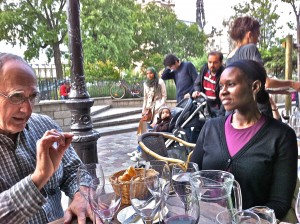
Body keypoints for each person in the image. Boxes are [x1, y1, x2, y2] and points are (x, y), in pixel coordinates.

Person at [190, 60, 298, 222]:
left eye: (231, 84)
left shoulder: (281, 136)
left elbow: (280, 204)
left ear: (255, 87)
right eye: (221, 86)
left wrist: (242, 219)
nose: (223, 92)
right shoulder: (211, 127)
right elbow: (192, 173)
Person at [0, 53, 93, 223]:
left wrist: (82, 193)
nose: (27, 110)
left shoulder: (44, 126)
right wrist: (39, 177)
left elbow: (75, 170)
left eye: (32, 97)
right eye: (17, 97)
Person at [226, 16, 300, 118]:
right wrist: (291, 83)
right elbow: (266, 82)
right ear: (250, 34)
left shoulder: (229, 58)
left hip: (236, 114)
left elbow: (249, 86)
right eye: (257, 35)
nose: (258, 40)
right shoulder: (250, 49)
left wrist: (278, 91)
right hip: (257, 113)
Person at [128, 67, 167, 161]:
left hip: (157, 109)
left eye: (151, 73)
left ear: (154, 73)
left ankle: (141, 152)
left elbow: (164, 96)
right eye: (147, 73)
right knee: (142, 129)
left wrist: (160, 107)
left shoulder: (160, 81)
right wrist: (143, 109)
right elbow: (145, 98)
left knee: (151, 130)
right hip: (148, 109)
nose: (149, 75)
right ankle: (139, 150)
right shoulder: (146, 83)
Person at [192, 51, 225, 117]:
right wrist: (197, 91)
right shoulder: (204, 69)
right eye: (210, 62)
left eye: (215, 62)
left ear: (221, 63)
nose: (212, 65)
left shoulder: (224, 74)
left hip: (219, 107)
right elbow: (197, 83)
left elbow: (225, 96)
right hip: (206, 106)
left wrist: (221, 113)